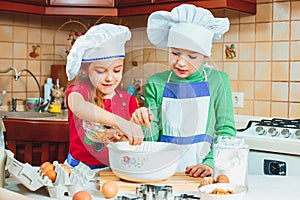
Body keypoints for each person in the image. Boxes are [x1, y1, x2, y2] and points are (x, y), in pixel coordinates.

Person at [131, 4, 236, 177]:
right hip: (161, 169)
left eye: (192, 56)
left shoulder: (219, 81)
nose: (181, 63)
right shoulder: (156, 82)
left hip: (203, 171)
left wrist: (210, 163)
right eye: (175, 53)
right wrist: (143, 124)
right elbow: (151, 140)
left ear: (204, 55)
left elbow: (226, 131)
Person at [65, 23, 144, 169]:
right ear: (85, 70)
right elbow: (78, 106)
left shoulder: (128, 101)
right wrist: (120, 122)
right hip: (79, 168)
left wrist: (122, 137)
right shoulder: (80, 90)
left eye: (116, 70)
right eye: (101, 71)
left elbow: (126, 142)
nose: (109, 78)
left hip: (113, 169)